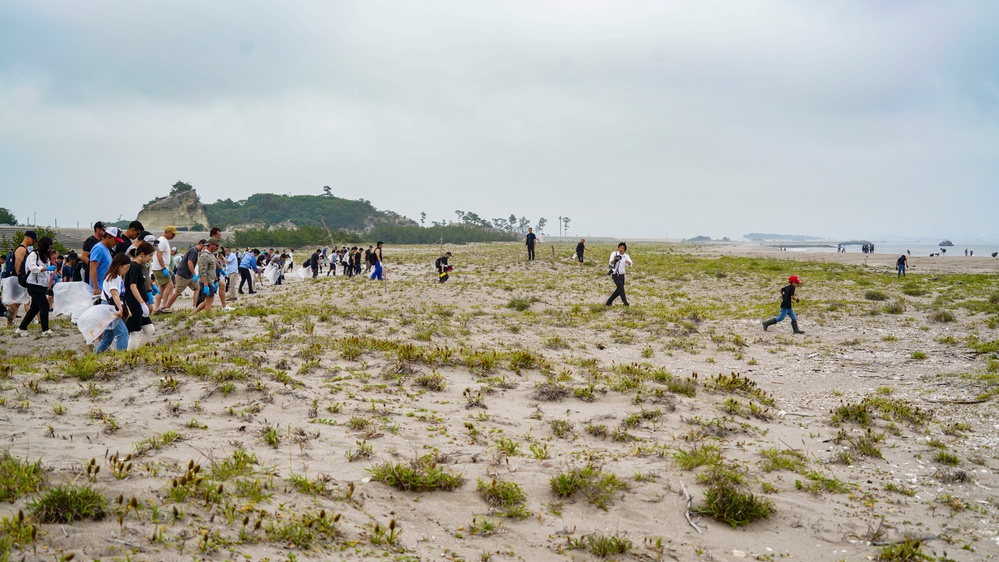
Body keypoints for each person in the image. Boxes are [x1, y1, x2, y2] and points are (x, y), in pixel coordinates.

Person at [16, 236, 54, 337]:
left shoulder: (45, 257)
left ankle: (22, 328)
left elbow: (46, 273)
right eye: (48, 247)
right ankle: (45, 329)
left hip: (42, 285)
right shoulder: (33, 254)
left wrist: (48, 283)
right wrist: (45, 268)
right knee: (44, 305)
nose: (49, 249)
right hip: (33, 284)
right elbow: (33, 268)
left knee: (34, 308)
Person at [95, 253, 132, 353]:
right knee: (122, 333)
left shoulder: (117, 277)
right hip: (110, 308)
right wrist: (120, 309)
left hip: (109, 307)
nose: (127, 269)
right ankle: (122, 357)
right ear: (120, 265)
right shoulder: (113, 277)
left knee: (108, 337)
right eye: (127, 267)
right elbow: (114, 294)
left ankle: (96, 356)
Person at [124, 242, 155, 349]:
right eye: (150, 256)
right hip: (134, 303)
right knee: (135, 332)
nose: (150, 259)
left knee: (149, 329)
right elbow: (133, 286)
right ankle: (131, 355)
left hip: (140, 303)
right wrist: (142, 303)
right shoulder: (133, 267)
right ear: (142, 254)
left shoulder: (138, 267)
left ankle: (138, 350)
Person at [5, 230, 37, 326]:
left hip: (19, 279)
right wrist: (21, 278)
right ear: (27, 237)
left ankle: (11, 322)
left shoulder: (24, 249)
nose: (34, 242)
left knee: (18, 302)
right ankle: (10, 322)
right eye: (33, 240)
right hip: (18, 279)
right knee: (15, 302)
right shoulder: (21, 249)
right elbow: (17, 264)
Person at [166, 240, 203, 310]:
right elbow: (190, 262)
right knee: (177, 292)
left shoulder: (195, 251)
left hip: (189, 276)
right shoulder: (194, 251)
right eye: (204, 247)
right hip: (183, 275)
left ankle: (194, 306)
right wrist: (194, 274)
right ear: (201, 244)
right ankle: (166, 307)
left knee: (197, 288)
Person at [153, 226, 178, 313]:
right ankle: (163, 306)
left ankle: (156, 308)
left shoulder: (164, 241)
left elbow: (164, 256)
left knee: (162, 288)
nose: (174, 236)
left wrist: (168, 268)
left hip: (161, 267)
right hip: (159, 268)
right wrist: (164, 268)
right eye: (173, 234)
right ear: (167, 232)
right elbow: (159, 255)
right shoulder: (162, 241)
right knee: (170, 285)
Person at [88, 228, 117, 300]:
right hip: (98, 290)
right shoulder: (99, 248)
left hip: (104, 288)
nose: (116, 243)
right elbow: (92, 268)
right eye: (116, 240)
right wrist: (96, 287)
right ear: (109, 237)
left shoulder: (106, 249)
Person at [193, 238, 220, 314]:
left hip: (211, 281)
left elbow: (212, 269)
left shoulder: (211, 255)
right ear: (211, 245)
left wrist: (216, 280)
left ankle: (194, 312)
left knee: (210, 299)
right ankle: (207, 315)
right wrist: (205, 285)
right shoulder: (205, 255)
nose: (217, 247)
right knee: (209, 300)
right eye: (216, 245)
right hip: (206, 281)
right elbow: (203, 271)